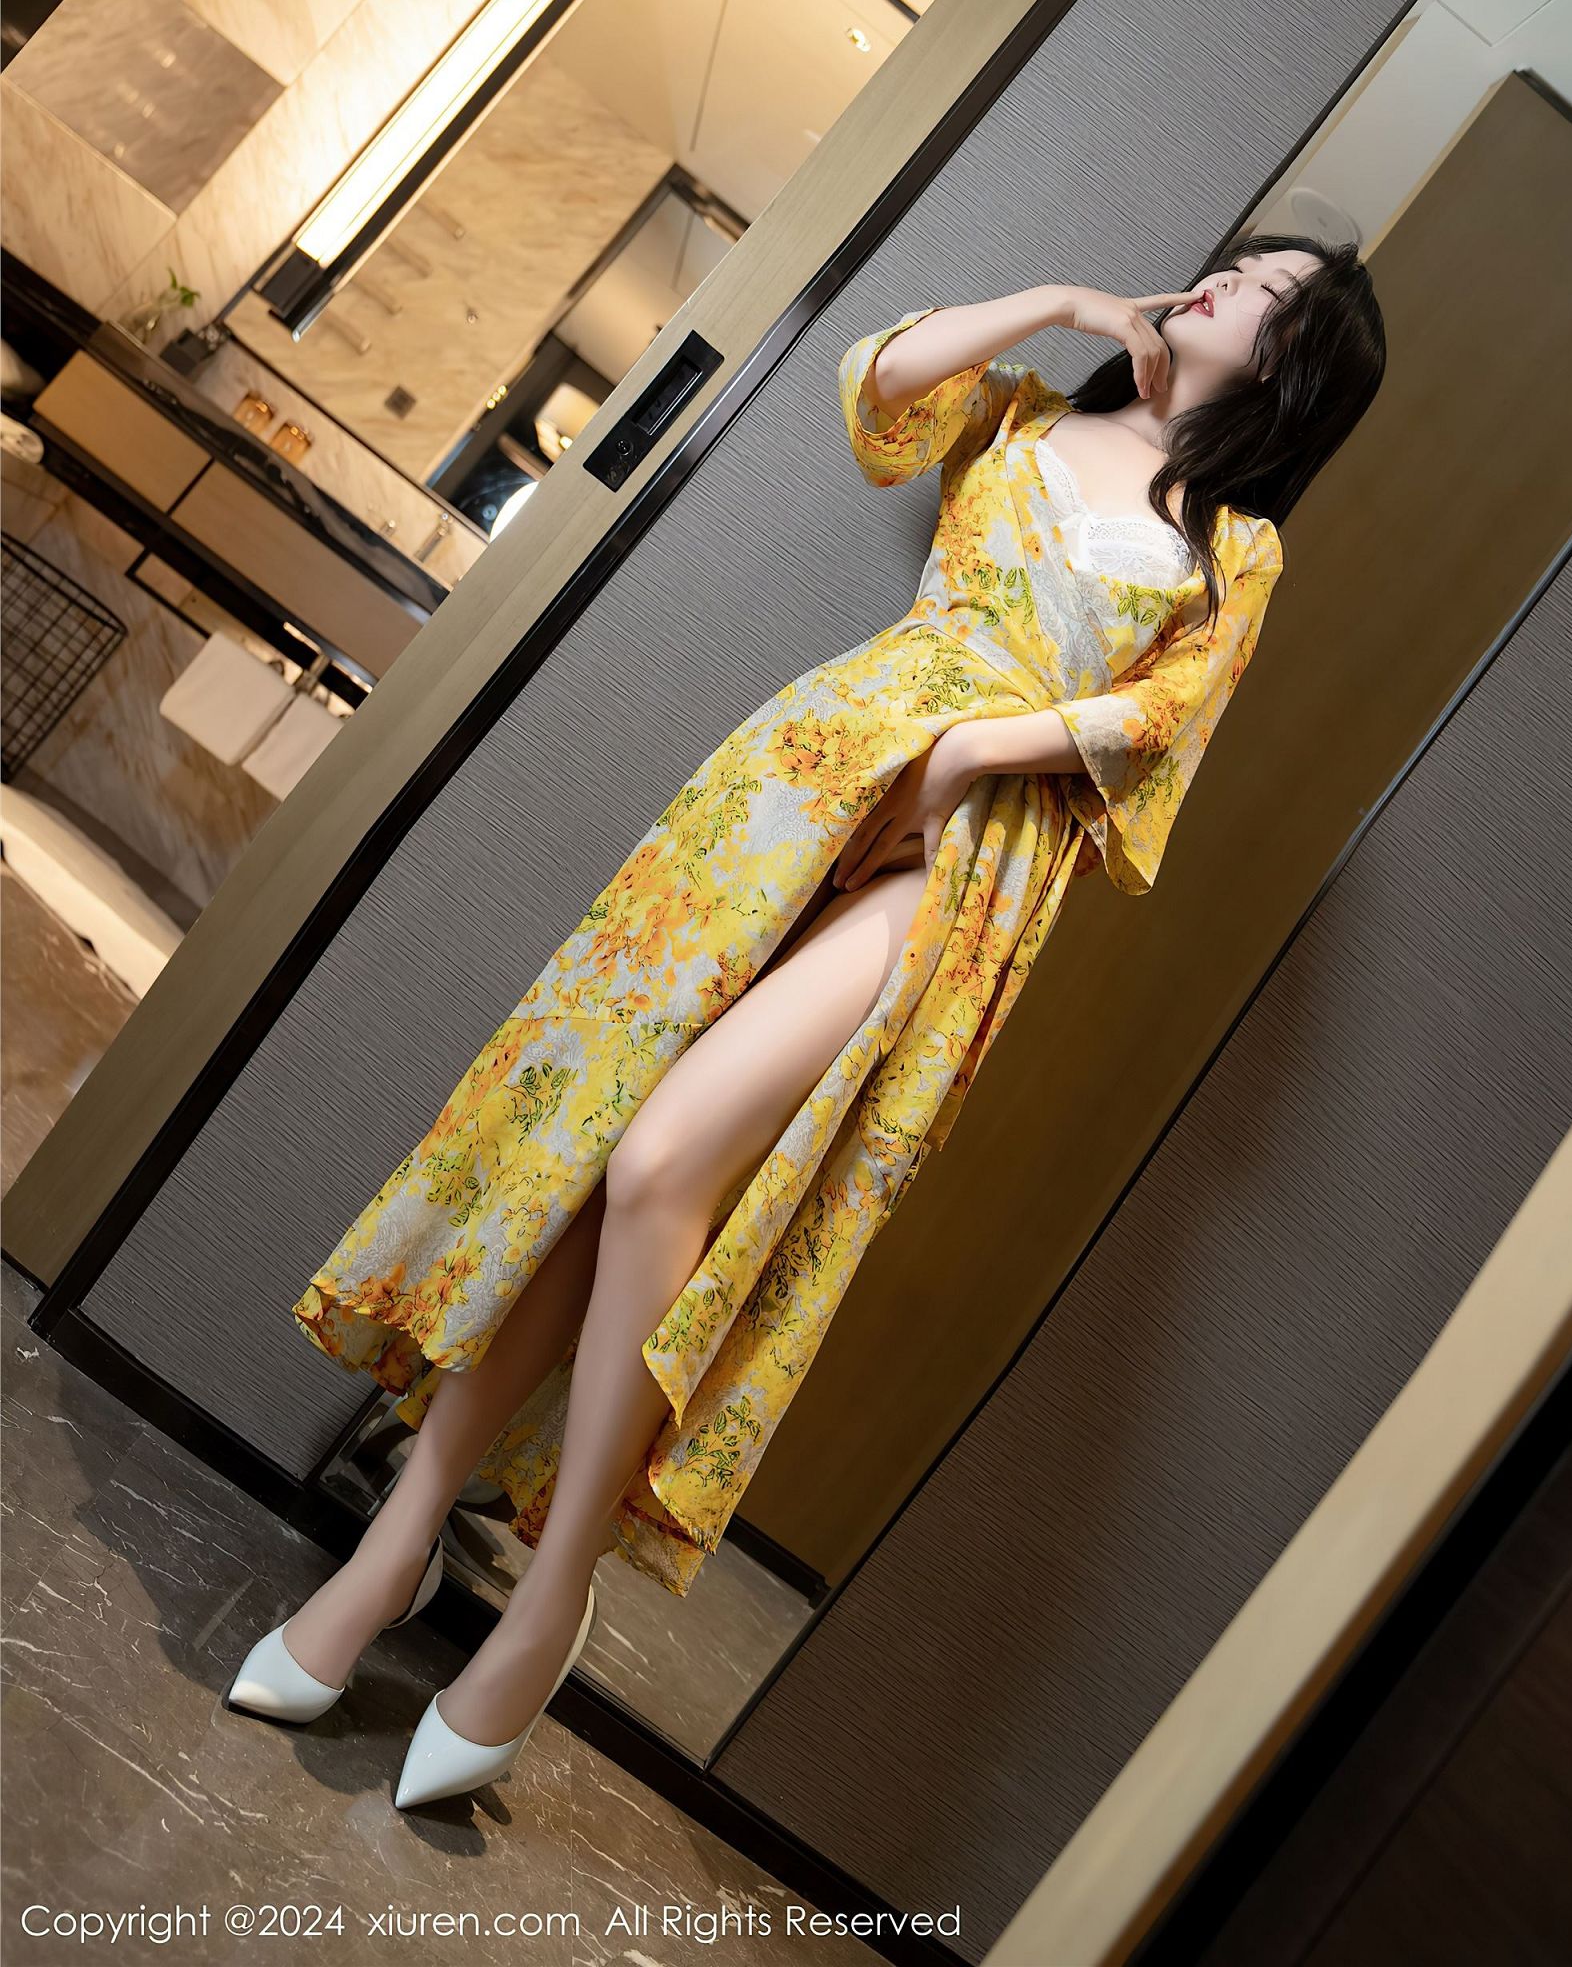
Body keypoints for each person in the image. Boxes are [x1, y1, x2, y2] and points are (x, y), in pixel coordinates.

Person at [227, 239, 1385, 1809]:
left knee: (664, 1163)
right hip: (801, 780)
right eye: (1231, 263)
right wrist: (1063, 303)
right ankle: (399, 1542)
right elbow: (878, 389)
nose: (1222, 284)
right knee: (594, 1155)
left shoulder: (1237, 548)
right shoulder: (1030, 410)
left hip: (967, 859)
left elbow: (1163, 724)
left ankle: (550, 1593)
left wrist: (977, 753)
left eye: (1265, 292)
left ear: (1299, 368)